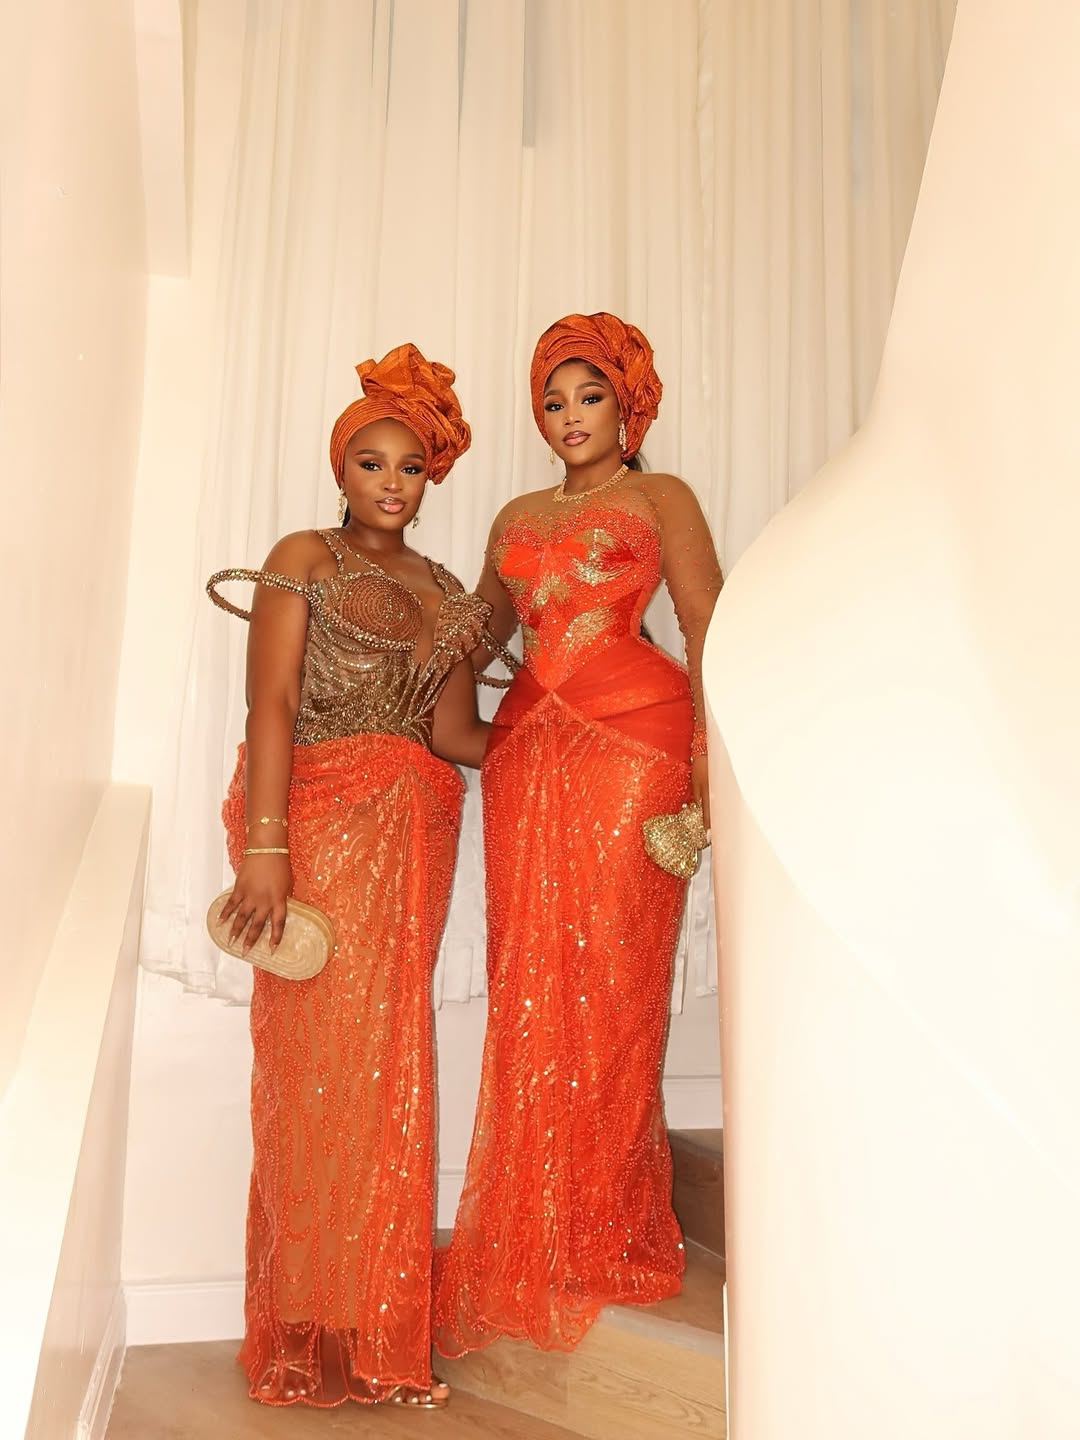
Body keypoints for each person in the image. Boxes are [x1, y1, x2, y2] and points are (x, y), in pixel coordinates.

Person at [433, 311, 724, 1354]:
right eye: (552, 400)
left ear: (626, 404)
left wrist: (706, 775)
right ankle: (539, 1223)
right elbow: (477, 634)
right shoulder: (513, 514)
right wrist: (427, 691)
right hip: (529, 760)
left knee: (614, 981)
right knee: (532, 984)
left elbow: (707, 623)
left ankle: (601, 1227)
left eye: (589, 395)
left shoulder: (660, 496)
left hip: (636, 745)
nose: (568, 416)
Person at [207, 344, 490, 1408]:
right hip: (318, 840)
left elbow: (456, 734)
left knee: (388, 1076)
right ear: (342, 469)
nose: (391, 482)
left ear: (431, 476)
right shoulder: (306, 556)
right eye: (371, 462)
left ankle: (380, 1331)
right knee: (313, 1080)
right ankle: (305, 1326)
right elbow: (271, 703)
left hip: (412, 844)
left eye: (410, 466)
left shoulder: (448, 591)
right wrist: (265, 845)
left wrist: (566, 729)